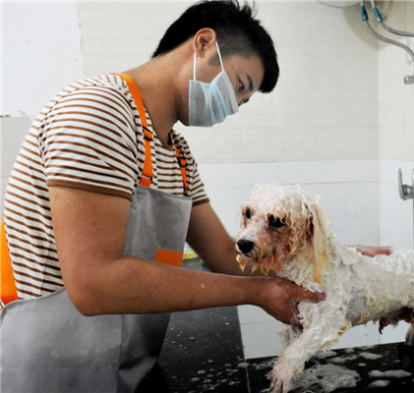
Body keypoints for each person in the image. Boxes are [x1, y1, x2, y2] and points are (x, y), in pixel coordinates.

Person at [0, 2, 324, 392]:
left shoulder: (178, 153)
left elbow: (225, 254)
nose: (235, 106)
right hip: (50, 369)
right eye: (239, 86)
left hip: (126, 366)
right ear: (204, 44)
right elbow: (93, 282)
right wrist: (259, 293)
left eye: (244, 101)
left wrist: (326, 260)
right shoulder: (97, 110)